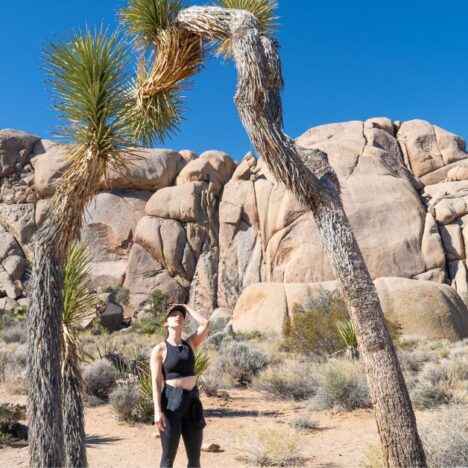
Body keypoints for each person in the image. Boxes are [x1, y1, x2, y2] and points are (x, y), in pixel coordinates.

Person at [150, 303, 210, 468]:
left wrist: (185, 306)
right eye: (174, 314)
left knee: (195, 459)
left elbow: (205, 324)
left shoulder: (190, 344)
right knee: (168, 458)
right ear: (166, 323)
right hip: (171, 403)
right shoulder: (160, 349)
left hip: (192, 401)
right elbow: (155, 381)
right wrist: (157, 411)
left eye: (181, 315)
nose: (178, 316)